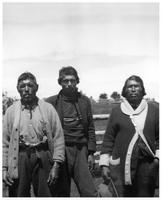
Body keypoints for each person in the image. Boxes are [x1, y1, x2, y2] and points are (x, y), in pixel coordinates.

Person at [3, 72, 65, 197]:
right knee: (18, 194)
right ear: (18, 89)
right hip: (19, 157)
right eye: (22, 86)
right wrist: (3, 168)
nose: (26, 89)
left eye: (30, 85)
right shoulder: (11, 111)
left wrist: (56, 165)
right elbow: (4, 143)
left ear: (37, 87)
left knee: (46, 193)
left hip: (43, 155)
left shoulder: (48, 109)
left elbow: (58, 138)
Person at [99, 75, 159, 197]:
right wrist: (104, 164)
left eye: (136, 86)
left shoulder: (154, 110)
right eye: (129, 86)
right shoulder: (117, 111)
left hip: (146, 167)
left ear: (142, 90)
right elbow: (108, 139)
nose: (133, 89)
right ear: (124, 91)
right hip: (121, 166)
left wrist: (157, 159)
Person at [46, 66, 98, 197]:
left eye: (72, 80)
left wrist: (91, 152)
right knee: (61, 192)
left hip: (81, 150)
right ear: (60, 82)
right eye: (65, 81)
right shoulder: (52, 102)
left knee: (89, 191)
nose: (69, 84)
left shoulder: (84, 101)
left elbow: (90, 127)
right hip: (61, 150)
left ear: (77, 81)